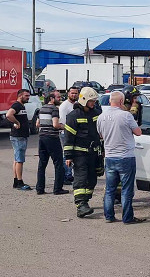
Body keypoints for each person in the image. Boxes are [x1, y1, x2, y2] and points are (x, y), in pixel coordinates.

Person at [97, 91, 145, 224]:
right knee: (126, 190)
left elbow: (100, 135)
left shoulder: (101, 117)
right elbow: (138, 132)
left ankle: (109, 216)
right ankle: (127, 218)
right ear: (121, 102)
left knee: (110, 189)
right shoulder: (126, 115)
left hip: (110, 157)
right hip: (125, 157)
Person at [63, 87, 102, 218]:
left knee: (92, 178)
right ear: (84, 100)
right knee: (80, 178)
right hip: (79, 154)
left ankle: (85, 200)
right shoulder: (73, 116)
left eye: (95, 101)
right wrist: (68, 156)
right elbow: (68, 137)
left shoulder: (96, 113)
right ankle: (80, 205)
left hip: (93, 153)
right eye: (92, 101)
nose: (94, 103)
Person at [36, 91, 68, 195]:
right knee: (58, 163)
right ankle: (57, 188)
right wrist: (64, 126)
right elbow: (55, 125)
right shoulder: (54, 109)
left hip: (42, 137)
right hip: (52, 138)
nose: (60, 99)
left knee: (42, 164)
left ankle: (40, 188)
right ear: (51, 98)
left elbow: (37, 124)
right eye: (58, 97)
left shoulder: (42, 108)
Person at [7, 89, 32, 190]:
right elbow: (9, 114)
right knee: (20, 160)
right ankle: (20, 182)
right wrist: (17, 122)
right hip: (18, 136)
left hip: (20, 136)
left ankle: (16, 180)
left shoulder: (21, 106)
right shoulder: (16, 105)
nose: (28, 97)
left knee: (17, 159)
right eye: (26, 95)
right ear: (20, 96)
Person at [58, 86, 79, 184]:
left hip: (76, 134)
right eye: (72, 93)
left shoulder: (77, 105)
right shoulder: (64, 106)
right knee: (66, 154)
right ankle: (66, 175)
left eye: (76, 93)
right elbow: (62, 123)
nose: (74, 95)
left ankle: (70, 174)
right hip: (65, 134)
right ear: (68, 94)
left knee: (73, 154)